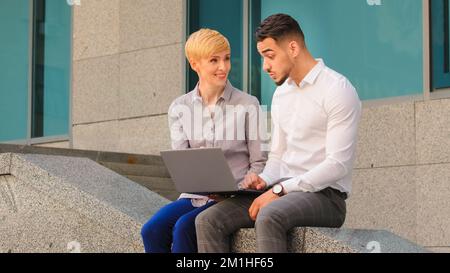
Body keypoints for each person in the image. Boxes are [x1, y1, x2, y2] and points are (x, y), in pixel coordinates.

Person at [195, 14, 362, 253]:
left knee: (269, 215)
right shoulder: (282, 94)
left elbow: (337, 165)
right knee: (208, 220)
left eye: (270, 56)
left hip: (326, 196)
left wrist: (279, 190)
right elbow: (278, 157)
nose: (265, 66)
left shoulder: (337, 90)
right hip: (281, 190)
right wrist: (263, 180)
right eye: (263, 57)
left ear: (293, 47)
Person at [140, 28, 267, 253]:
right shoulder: (179, 107)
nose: (223, 67)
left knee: (183, 228)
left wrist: (248, 182)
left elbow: (260, 162)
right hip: (194, 196)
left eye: (226, 58)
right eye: (214, 60)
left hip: (234, 197)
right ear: (194, 64)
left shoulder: (249, 104)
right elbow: (182, 162)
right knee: (151, 230)